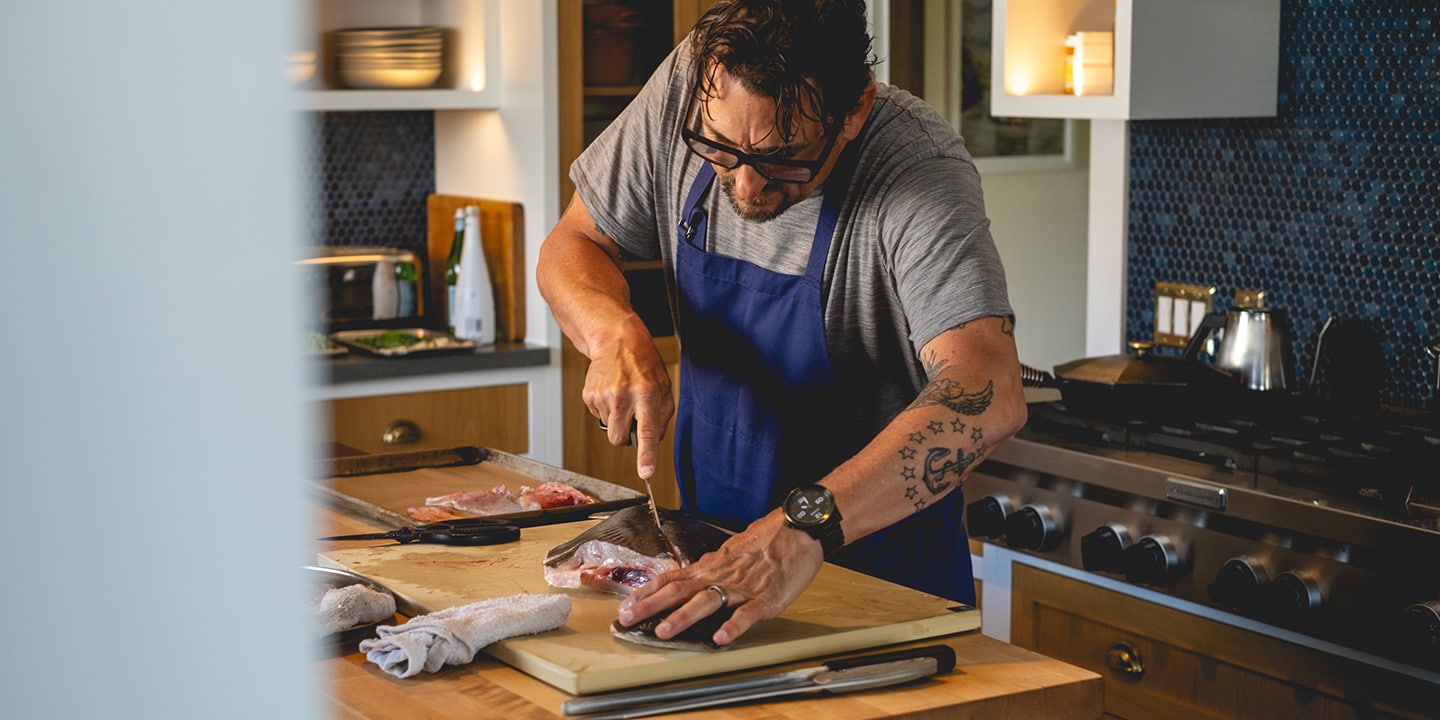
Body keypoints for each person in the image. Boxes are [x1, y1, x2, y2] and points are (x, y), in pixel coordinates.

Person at [536, 0, 1026, 647]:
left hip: (879, 582)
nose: (743, 187)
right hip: (708, 559)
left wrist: (802, 528)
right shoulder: (696, 83)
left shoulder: (915, 170)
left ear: (854, 111)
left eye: (783, 159)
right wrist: (612, 331)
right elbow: (574, 242)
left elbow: (986, 389)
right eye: (717, 151)